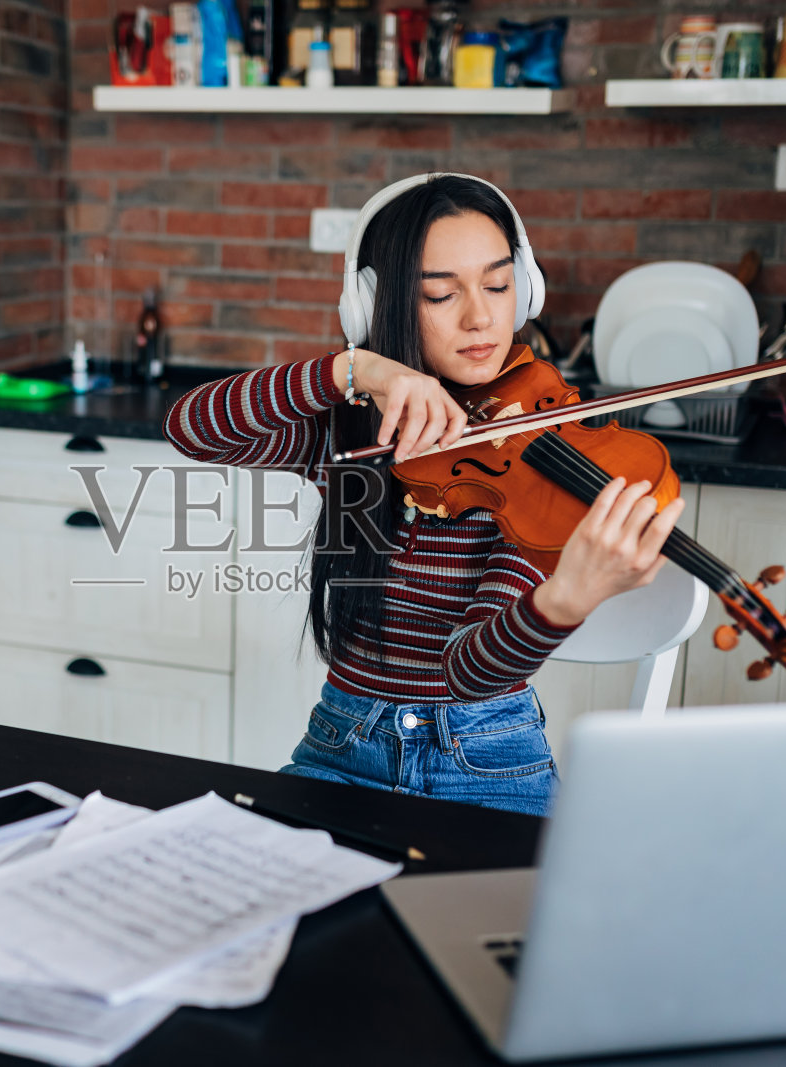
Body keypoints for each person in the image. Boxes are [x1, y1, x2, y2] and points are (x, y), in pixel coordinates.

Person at [162, 173, 684, 815]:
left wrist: (566, 598)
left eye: (498, 285)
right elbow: (193, 428)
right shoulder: (352, 432)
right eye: (441, 294)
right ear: (377, 307)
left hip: (486, 767)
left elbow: (469, 669)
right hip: (339, 749)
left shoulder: (538, 461)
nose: (481, 316)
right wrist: (354, 370)